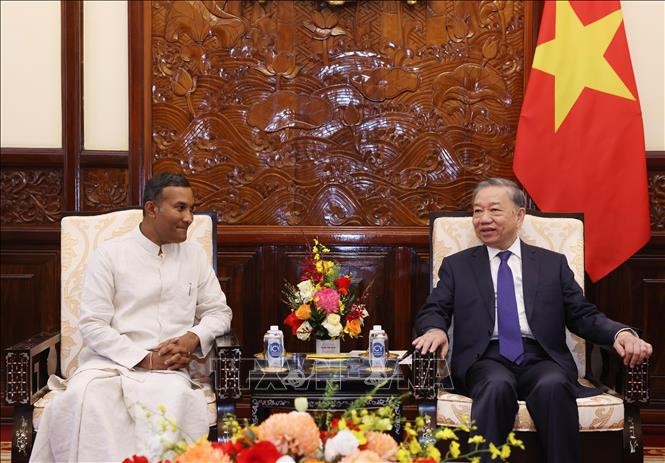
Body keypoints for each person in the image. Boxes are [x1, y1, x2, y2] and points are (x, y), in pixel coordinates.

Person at [412, 178, 652, 463]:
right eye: (477, 211)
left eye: (494, 210)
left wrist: (619, 333)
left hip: (541, 357)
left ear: (519, 215)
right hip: (485, 358)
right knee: (495, 386)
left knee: (553, 385)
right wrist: (435, 329)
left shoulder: (553, 264)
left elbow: (582, 315)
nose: (483, 219)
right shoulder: (458, 265)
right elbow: (435, 308)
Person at [31, 172, 233, 462]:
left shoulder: (194, 256)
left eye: (191, 209)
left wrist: (192, 338)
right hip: (108, 363)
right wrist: (144, 358)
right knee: (83, 398)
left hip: (168, 370)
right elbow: (93, 324)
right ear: (152, 209)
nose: (189, 218)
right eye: (180, 208)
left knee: (173, 400)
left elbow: (219, 312)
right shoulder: (110, 254)